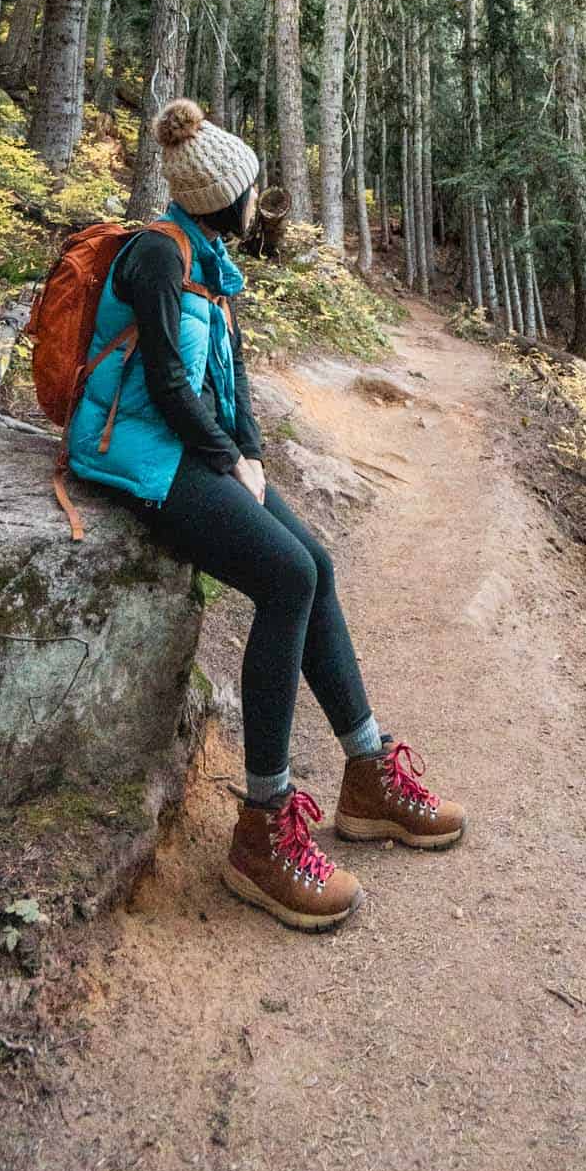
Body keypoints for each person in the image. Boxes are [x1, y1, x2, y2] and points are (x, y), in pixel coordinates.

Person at [67, 97, 464, 930]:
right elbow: (166, 382)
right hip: (136, 452)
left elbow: (232, 381)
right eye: (253, 185)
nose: (260, 197)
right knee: (284, 578)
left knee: (314, 563)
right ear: (228, 196)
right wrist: (225, 460)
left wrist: (247, 455)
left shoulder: (210, 259)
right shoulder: (158, 255)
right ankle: (261, 828)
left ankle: (366, 774)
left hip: (189, 448)